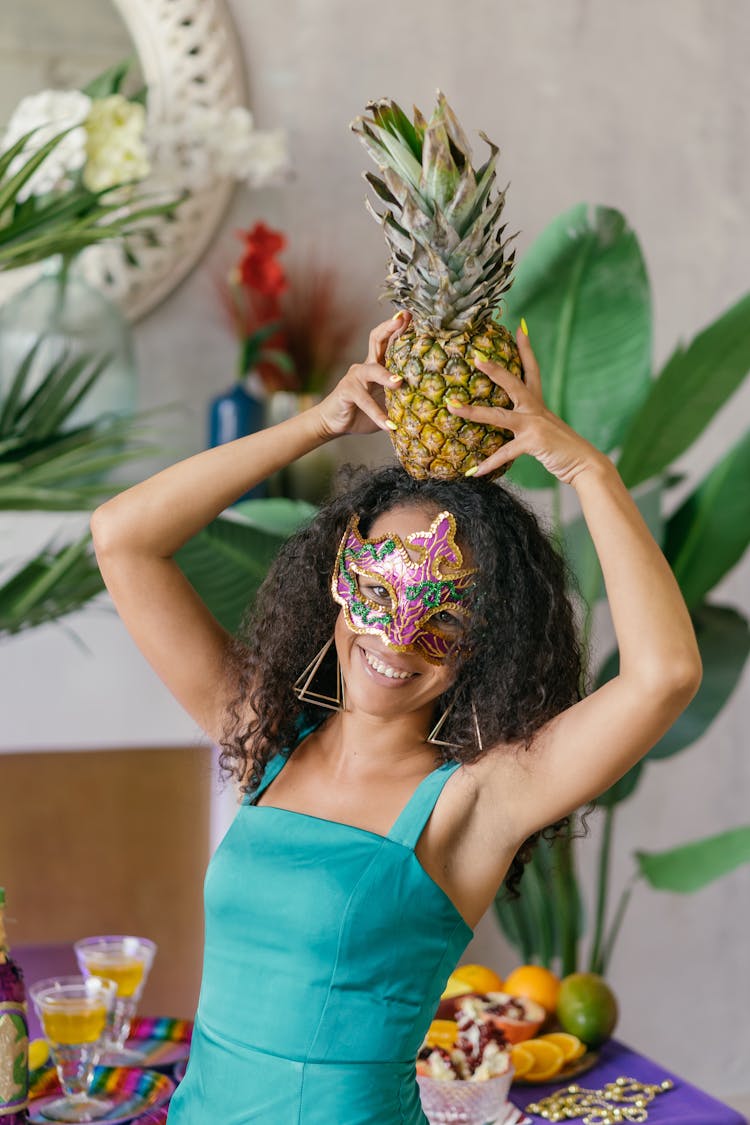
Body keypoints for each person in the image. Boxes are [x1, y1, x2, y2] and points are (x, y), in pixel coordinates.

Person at [90, 313, 701, 1124]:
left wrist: (583, 467)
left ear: (489, 642)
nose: (395, 635)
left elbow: (665, 674)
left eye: (442, 617)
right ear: (336, 573)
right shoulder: (264, 735)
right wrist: (319, 423)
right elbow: (122, 538)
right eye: (376, 591)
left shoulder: (475, 802)